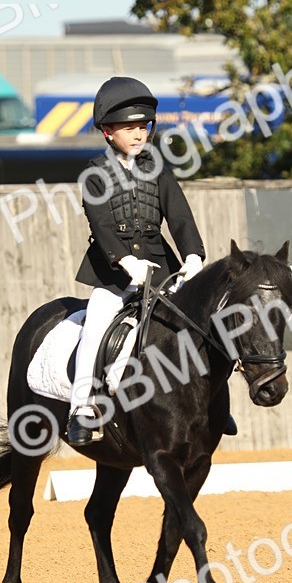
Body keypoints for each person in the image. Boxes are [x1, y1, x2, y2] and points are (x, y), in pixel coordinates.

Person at [66, 76, 207, 447]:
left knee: (197, 321)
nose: (139, 133)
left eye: (143, 126)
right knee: (96, 322)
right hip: (112, 272)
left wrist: (192, 254)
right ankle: (81, 407)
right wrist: (127, 262)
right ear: (108, 132)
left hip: (160, 266)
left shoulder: (158, 169)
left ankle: (213, 403)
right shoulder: (94, 174)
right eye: (129, 127)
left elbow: (179, 216)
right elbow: (101, 224)